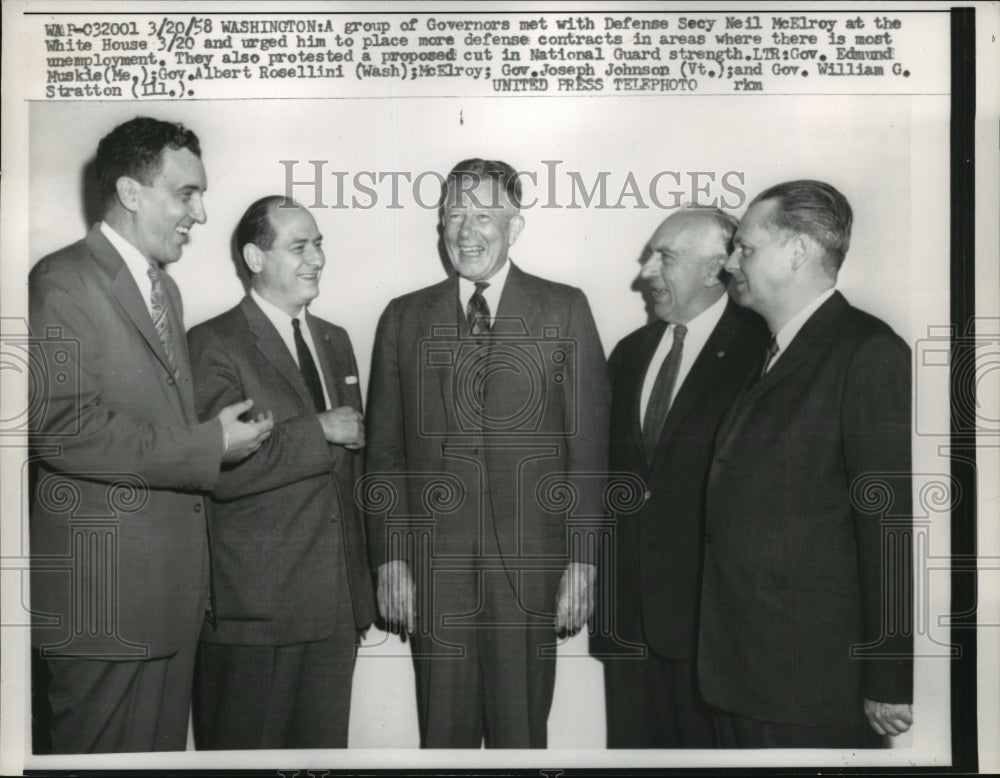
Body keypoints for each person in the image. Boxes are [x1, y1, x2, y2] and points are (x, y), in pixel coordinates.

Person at [28, 117, 273, 753]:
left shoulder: (166, 289)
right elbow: (60, 429)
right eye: (185, 194)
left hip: (168, 600)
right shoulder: (61, 281)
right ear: (132, 193)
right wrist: (210, 445)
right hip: (106, 608)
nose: (200, 211)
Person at [364, 158, 610, 748]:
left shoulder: (564, 308)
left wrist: (583, 561)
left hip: (529, 570)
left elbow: (590, 451)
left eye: (483, 215)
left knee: (520, 737)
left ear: (514, 225)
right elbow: (385, 455)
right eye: (454, 215)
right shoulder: (403, 317)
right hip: (433, 572)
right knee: (441, 740)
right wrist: (390, 559)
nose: (466, 232)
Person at [698, 180, 914, 747]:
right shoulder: (767, 350)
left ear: (797, 252)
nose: (731, 262)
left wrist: (889, 676)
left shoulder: (865, 351)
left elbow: (886, 528)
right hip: (742, 671)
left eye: (746, 248)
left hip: (809, 684)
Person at [186, 197, 376, 749]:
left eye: (318, 244)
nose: (316, 258)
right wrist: (319, 429)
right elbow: (221, 470)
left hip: (335, 613)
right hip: (256, 619)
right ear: (254, 255)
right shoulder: (212, 344)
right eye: (299, 246)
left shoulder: (335, 339)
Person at [591, 208, 767, 747]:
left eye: (663, 257)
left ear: (717, 268)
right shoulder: (631, 352)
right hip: (628, 623)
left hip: (710, 631)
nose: (645, 272)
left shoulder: (761, 350)